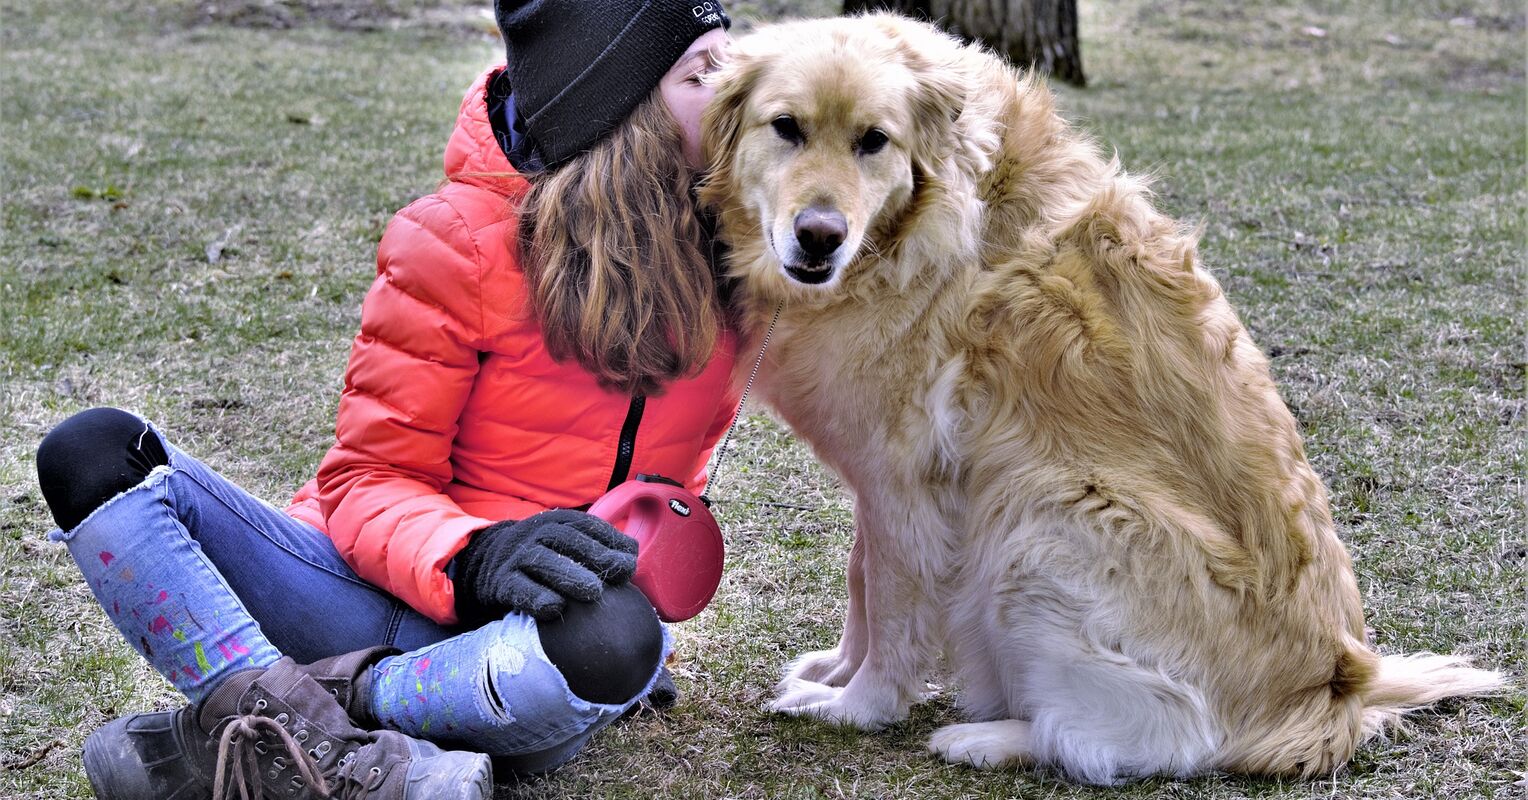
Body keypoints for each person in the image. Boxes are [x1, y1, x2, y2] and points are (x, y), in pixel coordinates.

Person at [34, 0, 738, 795]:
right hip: (362, 600)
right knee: (92, 451)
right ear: (619, 109)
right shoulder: (455, 241)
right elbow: (366, 482)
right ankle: (315, 740)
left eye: (733, 58)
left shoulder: (739, 259)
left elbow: (675, 482)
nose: (738, 88)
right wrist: (476, 556)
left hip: (519, 649)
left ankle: (289, 723)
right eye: (701, 73)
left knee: (617, 640)